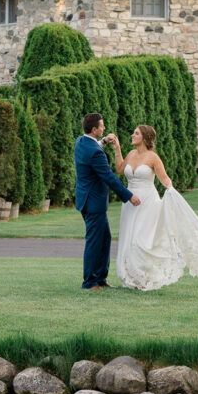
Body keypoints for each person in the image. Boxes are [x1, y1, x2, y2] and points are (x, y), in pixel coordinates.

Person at [104, 124, 198, 291]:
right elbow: (120, 169)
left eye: (136, 133)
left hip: (147, 202)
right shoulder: (131, 154)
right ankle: (130, 276)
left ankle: (145, 277)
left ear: (145, 138)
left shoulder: (153, 157)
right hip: (129, 202)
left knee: (143, 240)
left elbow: (164, 179)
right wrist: (117, 148)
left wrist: (171, 192)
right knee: (129, 238)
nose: (132, 135)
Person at [75, 112, 141, 290]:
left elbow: (94, 145)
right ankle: (89, 282)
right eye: (102, 126)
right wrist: (128, 195)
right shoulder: (95, 152)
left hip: (86, 200)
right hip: (93, 202)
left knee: (104, 238)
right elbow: (108, 177)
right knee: (95, 241)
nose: (104, 128)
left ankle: (100, 278)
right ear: (94, 129)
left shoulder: (81, 142)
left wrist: (104, 141)